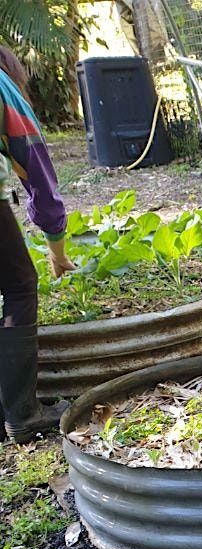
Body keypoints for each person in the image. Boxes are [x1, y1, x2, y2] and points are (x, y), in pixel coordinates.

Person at [0, 46, 74, 444]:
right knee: (19, 286)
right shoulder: (3, 86)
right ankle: (22, 413)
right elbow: (38, 174)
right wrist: (57, 249)